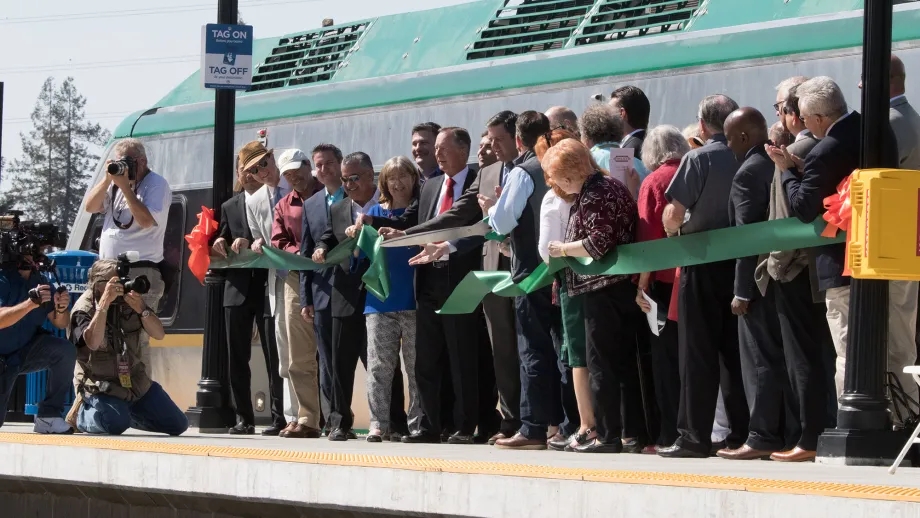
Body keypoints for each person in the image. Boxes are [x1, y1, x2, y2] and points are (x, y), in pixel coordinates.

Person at [771, 76, 899, 408]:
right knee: (894, 347)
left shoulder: (824, 149)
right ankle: (902, 418)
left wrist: (786, 170)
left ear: (817, 119)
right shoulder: (878, 130)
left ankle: (851, 419)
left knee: (848, 349)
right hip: (887, 255)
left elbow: (802, 208)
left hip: (843, 266)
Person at [659, 94, 749, 458]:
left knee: (696, 352)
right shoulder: (749, 154)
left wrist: (673, 226)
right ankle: (740, 432)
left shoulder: (698, 158)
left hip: (700, 261)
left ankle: (694, 436)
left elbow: (673, 215)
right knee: (735, 351)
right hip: (742, 261)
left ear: (701, 125)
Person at [544, 138, 640, 453]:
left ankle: (608, 435)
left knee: (601, 363)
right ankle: (628, 432)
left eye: (555, 177)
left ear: (569, 176)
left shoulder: (594, 194)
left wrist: (561, 248)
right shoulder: (609, 186)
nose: (554, 184)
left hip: (602, 289)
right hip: (619, 286)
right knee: (621, 362)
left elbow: (598, 244)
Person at [757, 78, 833, 462]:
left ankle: (809, 436)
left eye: (779, 108)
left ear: (794, 112)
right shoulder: (821, 147)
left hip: (795, 268)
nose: (779, 116)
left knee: (801, 357)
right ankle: (817, 431)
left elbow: (785, 215)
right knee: (821, 353)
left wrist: (776, 266)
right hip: (818, 266)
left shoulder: (796, 150)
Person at [312, 152, 407, 441]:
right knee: (340, 363)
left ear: (370, 176)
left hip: (378, 295)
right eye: (345, 179)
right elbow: (327, 237)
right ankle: (340, 422)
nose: (349, 184)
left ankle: (395, 422)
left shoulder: (386, 206)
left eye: (354, 178)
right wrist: (320, 247)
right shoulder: (338, 209)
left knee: (383, 363)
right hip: (344, 295)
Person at [717, 107, 789, 460]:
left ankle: (760, 435)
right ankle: (783, 431)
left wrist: (740, 290)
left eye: (730, 138)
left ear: (744, 136)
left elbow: (747, 237)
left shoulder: (746, 172)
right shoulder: (773, 161)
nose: (728, 145)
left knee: (758, 359)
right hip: (781, 277)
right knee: (778, 359)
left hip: (757, 284)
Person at [346, 156, 422, 442]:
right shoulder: (373, 211)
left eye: (404, 176)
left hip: (414, 301)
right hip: (379, 302)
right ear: (384, 182)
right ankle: (379, 423)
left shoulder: (419, 212)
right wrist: (355, 241)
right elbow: (360, 260)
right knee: (379, 366)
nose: (398, 182)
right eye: (392, 177)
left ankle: (416, 423)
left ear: (414, 180)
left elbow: (412, 229)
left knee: (415, 367)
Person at [69, 260, 188, 436]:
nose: (121, 287)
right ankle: (81, 416)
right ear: (100, 284)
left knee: (178, 425)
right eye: (115, 283)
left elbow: (159, 334)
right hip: (100, 386)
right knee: (114, 423)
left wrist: (142, 309)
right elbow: (93, 342)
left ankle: (125, 414)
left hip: (134, 382)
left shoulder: (127, 302)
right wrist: (104, 305)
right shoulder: (84, 309)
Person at [212, 157, 286, 436]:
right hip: (237, 289)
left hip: (268, 286)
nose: (249, 176)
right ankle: (244, 418)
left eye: (255, 170)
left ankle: (279, 417)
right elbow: (222, 237)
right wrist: (219, 240)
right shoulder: (229, 206)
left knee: (274, 354)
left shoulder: (275, 199)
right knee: (237, 357)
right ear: (238, 175)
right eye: (244, 171)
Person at [83, 138, 171, 370]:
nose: (123, 167)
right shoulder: (114, 185)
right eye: (118, 162)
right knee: (106, 336)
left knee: (135, 339)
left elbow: (144, 220)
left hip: (140, 271)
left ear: (142, 161)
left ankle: (141, 395)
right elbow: (90, 207)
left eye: (127, 162)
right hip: (108, 271)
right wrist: (107, 179)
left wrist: (125, 188)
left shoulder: (156, 185)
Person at [535, 128, 597, 452]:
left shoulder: (556, 196)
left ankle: (585, 426)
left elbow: (547, 250)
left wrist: (562, 250)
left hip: (574, 286)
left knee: (576, 358)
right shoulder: (605, 186)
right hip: (605, 288)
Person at [634, 125, 692, 453]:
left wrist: (641, 286)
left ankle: (669, 434)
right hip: (695, 278)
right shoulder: (692, 172)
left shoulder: (653, 182)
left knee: (666, 364)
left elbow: (647, 241)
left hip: (664, 285)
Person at [241, 141, 301, 428]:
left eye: (263, 163)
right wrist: (256, 243)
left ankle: (321, 414)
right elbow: (258, 238)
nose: (261, 172)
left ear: (272, 158)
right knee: (285, 353)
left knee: (313, 353)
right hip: (278, 284)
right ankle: (292, 416)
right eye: (253, 170)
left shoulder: (296, 188)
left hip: (306, 277)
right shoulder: (253, 202)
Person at [269, 148, 323, 438]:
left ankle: (340, 416)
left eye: (297, 171)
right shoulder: (283, 205)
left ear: (308, 167)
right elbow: (278, 241)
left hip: (330, 275)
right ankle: (308, 418)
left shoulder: (327, 194)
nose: (294, 177)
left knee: (336, 351)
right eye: (288, 174)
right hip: (295, 278)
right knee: (298, 355)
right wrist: (303, 254)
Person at [0, 253, 74, 434]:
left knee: (64, 351)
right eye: (28, 252)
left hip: (23, 352)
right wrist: (30, 304)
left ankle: (48, 416)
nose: (34, 258)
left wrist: (62, 308)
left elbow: (60, 323)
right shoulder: (2, 277)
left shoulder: (40, 280)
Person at [300, 143, 346, 435]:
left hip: (354, 288)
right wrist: (306, 297)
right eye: (319, 165)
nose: (324, 169)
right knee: (328, 363)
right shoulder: (311, 204)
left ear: (340, 164)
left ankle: (386, 418)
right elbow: (306, 253)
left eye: (329, 163)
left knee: (367, 357)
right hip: (322, 294)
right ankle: (334, 421)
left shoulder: (355, 196)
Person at [609, 85, 651, 158]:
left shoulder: (627, 153)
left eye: (609, 111)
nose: (606, 116)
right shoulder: (652, 144)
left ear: (622, 113)